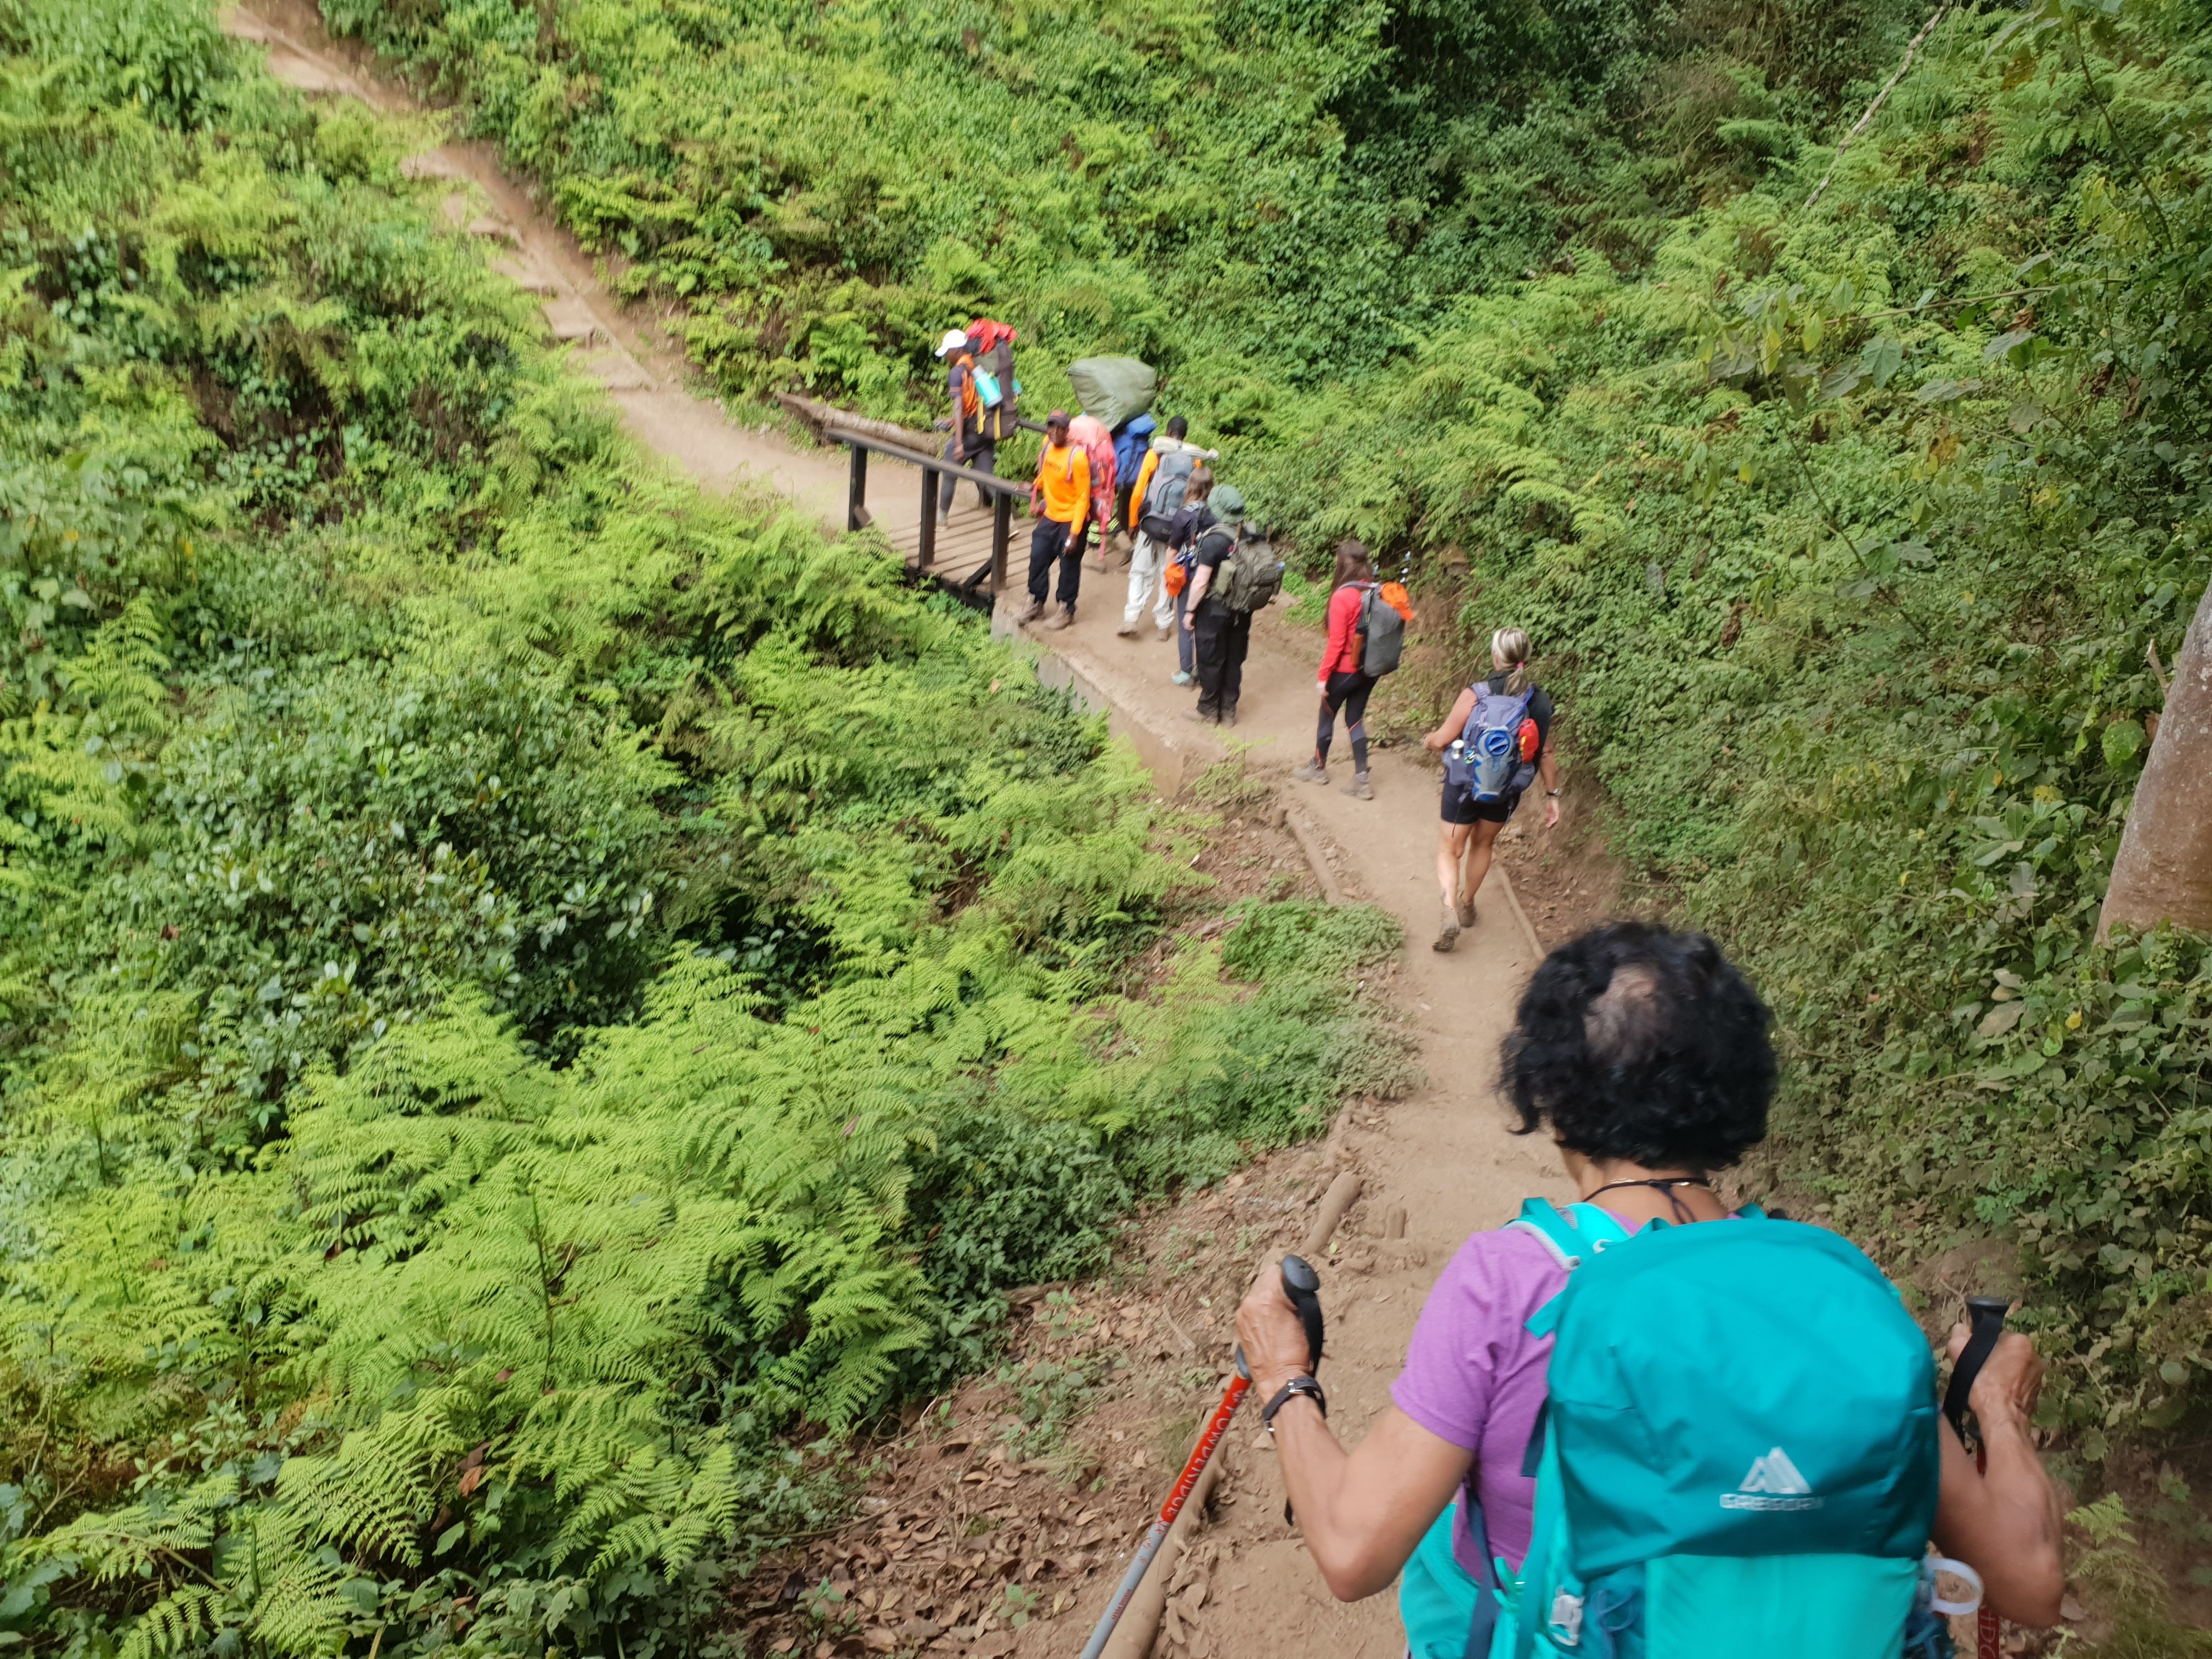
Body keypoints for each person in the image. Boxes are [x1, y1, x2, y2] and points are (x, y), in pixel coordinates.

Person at [1235, 922, 2067, 1654]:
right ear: (1734, 1097)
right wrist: (1997, 1409)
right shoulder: (1833, 1289)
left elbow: (1353, 1550)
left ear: (1552, 1097)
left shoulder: (1510, 1280)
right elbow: (2029, 1587)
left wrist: (1284, 1378)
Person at [1421, 628, 1559, 952]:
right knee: (1483, 844)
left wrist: (1429, 740)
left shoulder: (1476, 694)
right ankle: (1468, 903)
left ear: (1497, 657)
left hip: (1465, 782)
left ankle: (1449, 909)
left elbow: (1443, 739)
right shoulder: (1538, 701)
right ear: (1525, 658)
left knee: (1449, 849)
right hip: (1505, 789)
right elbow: (1546, 753)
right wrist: (1553, 797)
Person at [1292, 539, 1392, 802]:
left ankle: (1318, 768)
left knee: (1327, 716)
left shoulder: (1343, 596)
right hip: (1370, 670)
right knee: (1355, 720)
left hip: (1346, 670)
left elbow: (1336, 644)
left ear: (1341, 564)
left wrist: (1323, 678)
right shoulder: (1376, 590)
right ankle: (1362, 780)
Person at [1120, 416, 1218, 641]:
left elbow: (1138, 492)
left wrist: (1134, 523)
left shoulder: (1156, 454)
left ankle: (1131, 618)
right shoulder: (1195, 461)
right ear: (1184, 435)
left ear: (1168, 431)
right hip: (1177, 528)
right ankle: (1163, 625)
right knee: (1168, 573)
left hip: (1151, 523)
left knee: (1140, 570)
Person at [1182, 485, 1254, 726]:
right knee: (1234, 658)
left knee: (1211, 658)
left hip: (1215, 610)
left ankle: (1208, 710)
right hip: (1242, 610)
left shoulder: (1214, 540)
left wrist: (1190, 611)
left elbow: (1201, 582)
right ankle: (1229, 712)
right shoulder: (1250, 535)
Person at [1020, 411, 1089, 631]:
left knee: (1069, 564)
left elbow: (1083, 497)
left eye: (1061, 428)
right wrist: (1035, 485)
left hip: (1071, 519)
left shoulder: (1077, 458)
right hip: (1051, 515)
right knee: (1038, 556)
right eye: (1052, 426)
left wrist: (1075, 533)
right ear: (1047, 427)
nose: (1055, 432)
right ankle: (1036, 603)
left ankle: (1066, 609)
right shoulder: (1047, 446)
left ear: (1067, 431)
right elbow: (1046, 472)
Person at [933, 329, 993, 525]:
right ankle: (1008, 522)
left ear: (958, 350)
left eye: (948, 351)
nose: (947, 355)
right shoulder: (977, 365)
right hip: (987, 429)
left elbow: (959, 406)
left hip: (969, 432)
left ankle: (941, 519)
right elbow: (974, 403)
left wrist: (959, 443)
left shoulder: (957, 372)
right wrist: (952, 421)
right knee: (987, 477)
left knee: (950, 470)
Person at [1163, 467, 1215, 686]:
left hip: (1187, 574)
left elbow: (1173, 549)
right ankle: (1202, 673)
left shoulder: (1183, 515)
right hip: (1210, 572)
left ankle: (1186, 671)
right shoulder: (1215, 514)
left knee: (1186, 621)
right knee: (1203, 623)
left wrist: (1168, 575)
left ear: (1191, 486)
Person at [1066, 413, 1119, 572]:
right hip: (1103, 478)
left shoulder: (1079, 431)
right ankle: (1121, 544)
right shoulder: (1100, 430)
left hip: (1088, 481)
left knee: (1093, 514)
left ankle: (1096, 555)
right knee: (1104, 513)